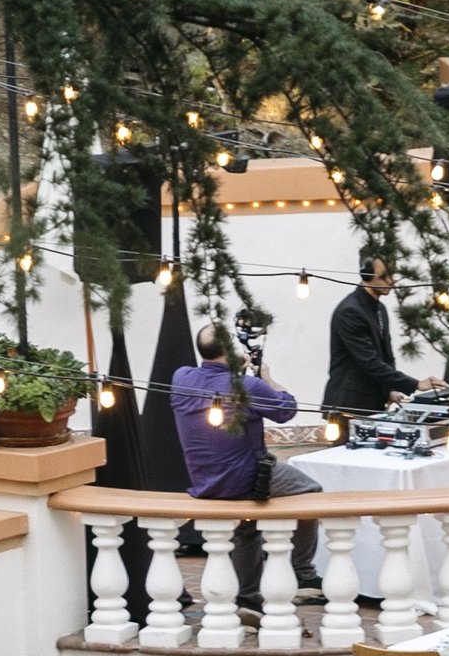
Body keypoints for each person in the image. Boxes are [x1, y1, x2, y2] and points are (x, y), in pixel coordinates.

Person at [171, 323, 319, 605]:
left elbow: (217, 386)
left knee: (247, 528)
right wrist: (267, 378)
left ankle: (248, 597)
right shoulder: (248, 386)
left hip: (204, 481)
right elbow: (286, 410)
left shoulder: (181, 378)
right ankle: (303, 572)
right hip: (248, 478)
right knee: (312, 492)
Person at [323, 254, 415, 420]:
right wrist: (415, 384)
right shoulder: (349, 311)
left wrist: (391, 389)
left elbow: (387, 355)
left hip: (373, 403)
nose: (391, 281)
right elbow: (369, 361)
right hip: (348, 405)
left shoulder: (380, 309)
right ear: (366, 276)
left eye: (392, 275)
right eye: (384, 276)